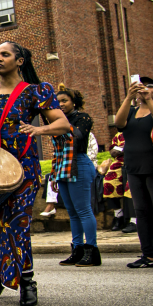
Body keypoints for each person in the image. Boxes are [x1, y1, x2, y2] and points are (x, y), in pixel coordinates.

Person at [0, 41, 69, 306]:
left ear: (19, 61)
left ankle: (27, 281)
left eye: (5, 54)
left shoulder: (35, 92)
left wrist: (38, 130)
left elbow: (62, 123)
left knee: (18, 224)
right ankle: (3, 274)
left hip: (23, 170)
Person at [114, 77, 153, 268]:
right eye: (141, 87)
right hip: (134, 168)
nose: (144, 90)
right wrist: (128, 98)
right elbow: (119, 123)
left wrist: (150, 100)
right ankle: (148, 256)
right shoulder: (133, 111)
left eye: (149, 87)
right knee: (142, 212)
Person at [51, 84, 100, 267]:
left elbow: (77, 136)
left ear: (74, 102)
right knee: (72, 212)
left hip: (79, 163)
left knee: (83, 210)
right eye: (58, 101)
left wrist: (61, 121)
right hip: (63, 164)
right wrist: (55, 174)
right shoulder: (55, 119)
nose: (61, 104)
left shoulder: (82, 117)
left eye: (64, 101)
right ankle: (77, 249)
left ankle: (91, 251)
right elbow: (57, 149)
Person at [102, 132, 136, 231]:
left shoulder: (137, 129)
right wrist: (115, 152)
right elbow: (112, 150)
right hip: (120, 162)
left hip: (135, 160)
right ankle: (118, 214)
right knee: (109, 182)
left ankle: (134, 221)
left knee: (131, 187)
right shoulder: (119, 134)